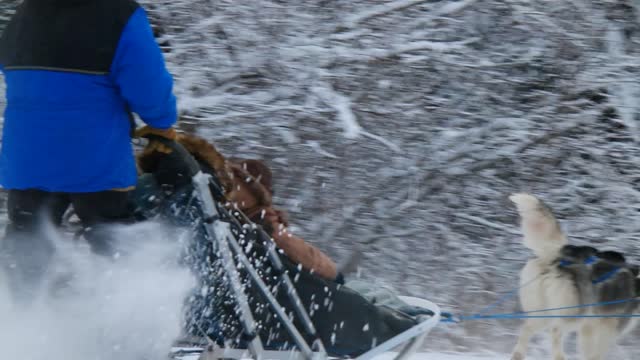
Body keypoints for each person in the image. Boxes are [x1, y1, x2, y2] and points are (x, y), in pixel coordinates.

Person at [0, 0, 177, 301]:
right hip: (94, 159)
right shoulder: (120, 14)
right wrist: (163, 122)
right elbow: (149, 88)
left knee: (26, 247)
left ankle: (21, 326)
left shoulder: (26, 12)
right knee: (115, 240)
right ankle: (124, 326)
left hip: (27, 158)